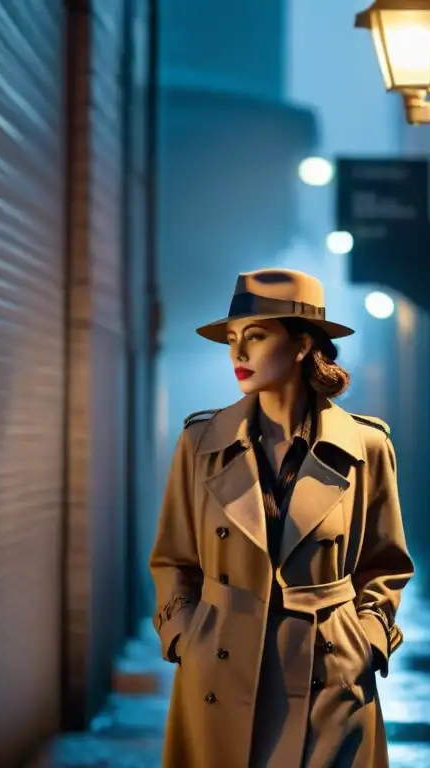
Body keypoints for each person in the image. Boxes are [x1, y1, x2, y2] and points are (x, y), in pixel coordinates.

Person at [149, 268, 415, 768]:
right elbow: (172, 559)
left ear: (299, 346)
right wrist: (184, 635)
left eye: (256, 336)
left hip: (330, 675)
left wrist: (370, 641)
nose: (238, 354)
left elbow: (386, 564)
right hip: (220, 671)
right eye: (232, 340)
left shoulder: (365, 446)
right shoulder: (200, 444)